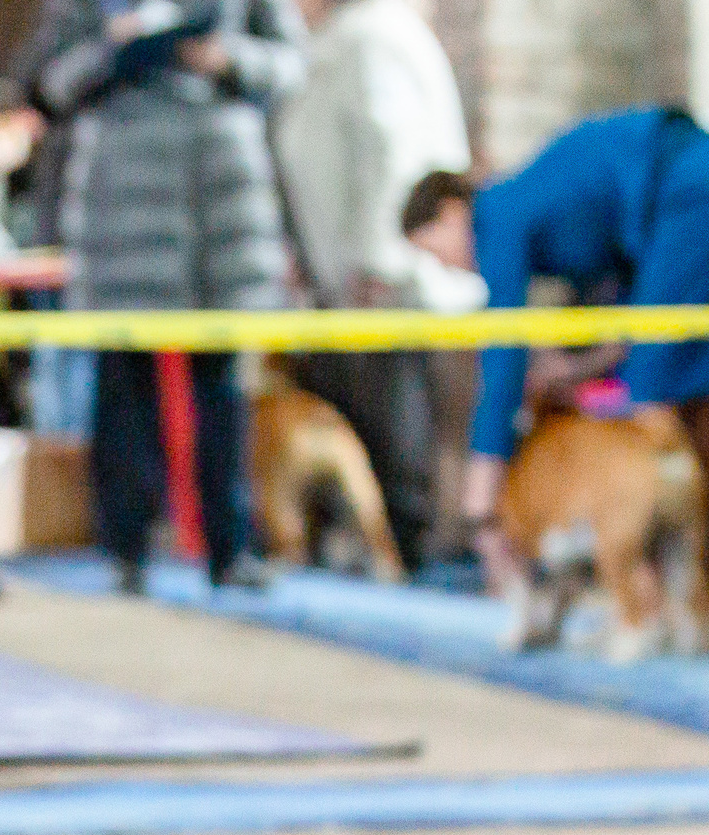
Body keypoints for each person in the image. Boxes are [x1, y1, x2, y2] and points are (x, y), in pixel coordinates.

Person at [28, 0, 306, 593]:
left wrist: (227, 59)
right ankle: (126, 550)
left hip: (220, 201)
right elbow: (51, 82)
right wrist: (114, 49)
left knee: (223, 388)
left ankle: (231, 548)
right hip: (122, 200)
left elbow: (292, 65)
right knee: (124, 387)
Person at [403, 110, 709, 601]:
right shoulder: (536, 206)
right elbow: (628, 313)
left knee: (658, 392)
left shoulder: (495, 215)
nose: (444, 266)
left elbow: (504, 351)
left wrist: (481, 499)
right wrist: (576, 369)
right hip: (676, 183)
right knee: (665, 378)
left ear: (451, 212)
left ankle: (659, 593)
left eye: (433, 250)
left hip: (681, 185)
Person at [272, 0, 468, 577]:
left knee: (395, 431)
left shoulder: (374, 39)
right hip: (346, 281)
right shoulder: (340, 42)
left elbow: (392, 153)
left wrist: (375, 257)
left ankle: (417, 558)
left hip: (384, 284)